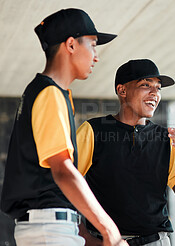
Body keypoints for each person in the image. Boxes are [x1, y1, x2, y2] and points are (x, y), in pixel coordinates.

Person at [0, 8, 127, 246]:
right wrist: (110, 230)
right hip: (49, 229)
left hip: (50, 228)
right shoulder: (49, 93)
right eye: (93, 45)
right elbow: (63, 170)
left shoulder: (46, 92)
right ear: (71, 45)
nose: (96, 56)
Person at [76, 59, 175, 246]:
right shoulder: (93, 130)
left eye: (158, 87)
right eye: (146, 85)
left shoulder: (166, 138)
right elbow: (65, 185)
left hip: (156, 241)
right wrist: (84, 235)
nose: (154, 93)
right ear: (122, 90)